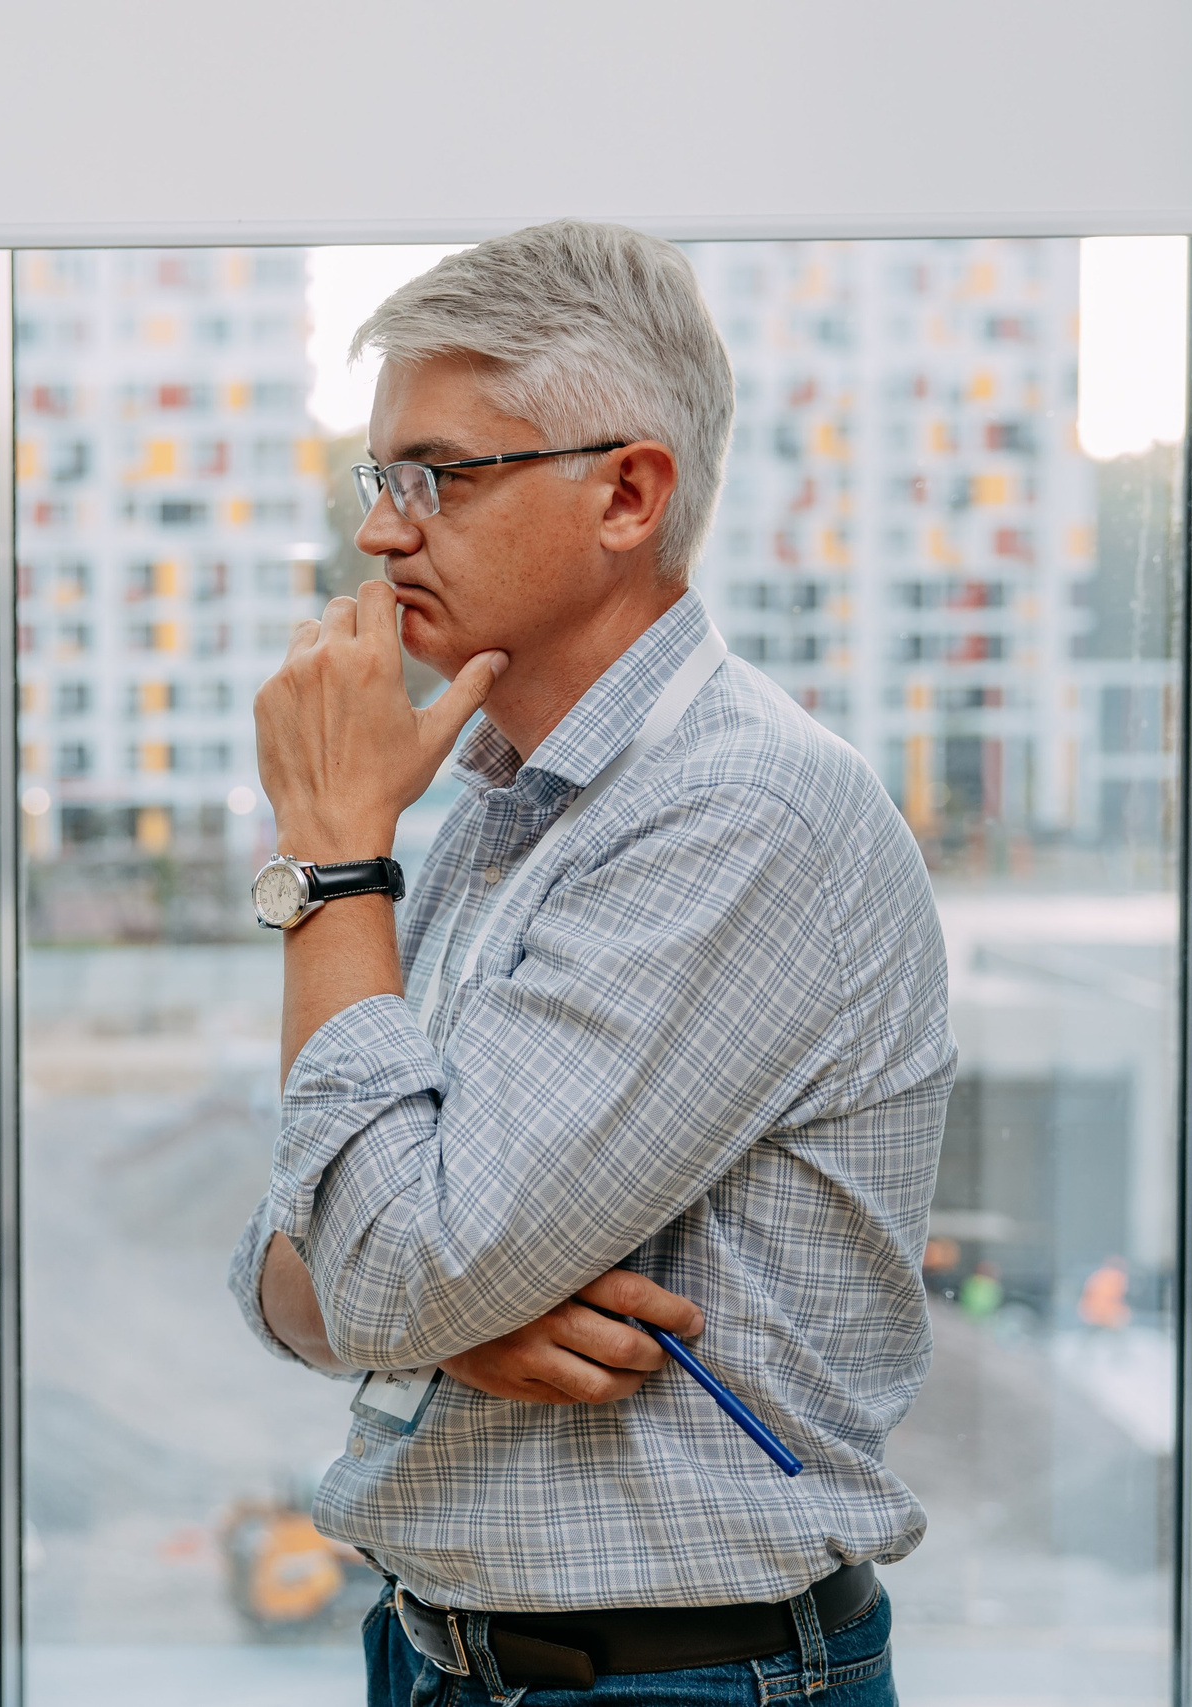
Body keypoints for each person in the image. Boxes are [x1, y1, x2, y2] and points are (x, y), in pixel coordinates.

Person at [230, 221, 953, 1705]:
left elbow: (377, 1263)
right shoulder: (511, 804)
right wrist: (437, 1317)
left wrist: (334, 858)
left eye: (438, 477)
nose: (381, 532)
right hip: (445, 1651)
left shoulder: (732, 811)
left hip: (678, 1675)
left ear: (628, 491)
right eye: (380, 479)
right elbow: (281, 1256)